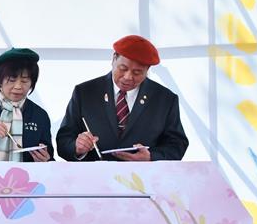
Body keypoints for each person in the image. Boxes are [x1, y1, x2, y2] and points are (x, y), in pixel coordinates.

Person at [56, 35, 188, 162]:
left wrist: (151, 157)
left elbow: (177, 144)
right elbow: (63, 141)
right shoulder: (85, 92)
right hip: (94, 175)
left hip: (143, 175)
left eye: (137, 72)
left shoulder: (165, 99)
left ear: (148, 69)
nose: (128, 77)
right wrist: (77, 148)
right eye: (123, 68)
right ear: (113, 59)